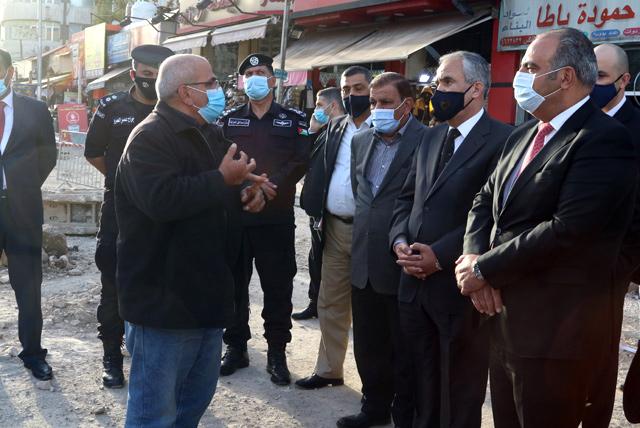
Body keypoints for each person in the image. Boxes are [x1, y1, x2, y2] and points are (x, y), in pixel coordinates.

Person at [456, 28, 638, 427]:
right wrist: (473, 257)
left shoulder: (603, 140)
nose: (521, 75)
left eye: (530, 67)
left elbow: (568, 230)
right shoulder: (524, 133)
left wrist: (486, 270)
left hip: (555, 334)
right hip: (503, 322)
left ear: (565, 77)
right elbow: (484, 200)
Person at [115, 53, 266, 427]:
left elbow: (224, 183)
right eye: (212, 83)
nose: (220, 90)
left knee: (190, 406)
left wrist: (246, 193)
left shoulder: (208, 133)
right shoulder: (149, 138)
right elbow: (161, 201)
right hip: (163, 303)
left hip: (207, 296)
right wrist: (222, 181)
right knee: (154, 414)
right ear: (187, 92)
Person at [389, 52, 512, 427]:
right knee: (416, 383)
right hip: (412, 285)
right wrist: (399, 242)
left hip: (458, 290)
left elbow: (495, 215)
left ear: (475, 90)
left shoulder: (506, 140)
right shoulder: (430, 137)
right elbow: (406, 199)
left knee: (458, 390)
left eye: (446, 83)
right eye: (437, 82)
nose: (435, 90)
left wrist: (439, 256)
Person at [337, 72, 425, 428]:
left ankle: (404, 413)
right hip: (363, 258)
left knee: (404, 346)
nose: (377, 109)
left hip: (403, 260)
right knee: (369, 342)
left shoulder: (429, 140)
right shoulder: (361, 140)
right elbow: (365, 198)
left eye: (386, 103)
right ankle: (373, 407)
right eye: (373, 102)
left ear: (408, 104)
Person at [84, 44, 174, 389]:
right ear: (133, 71)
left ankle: (154, 353)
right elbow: (93, 152)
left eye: (156, 72)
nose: (148, 78)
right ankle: (111, 353)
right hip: (121, 208)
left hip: (163, 209)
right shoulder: (111, 107)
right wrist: (125, 182)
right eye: (143, 71)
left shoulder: (174, 108)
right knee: (114, 278)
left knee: (163, 277)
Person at [217, 53, 310, 385]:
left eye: (261, 72)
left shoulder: (293, 118)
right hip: (236, 217)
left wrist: (268, 187)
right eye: (249, 73)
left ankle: (276, 353)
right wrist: (245, 187)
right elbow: (219, 160)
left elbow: (301, 159)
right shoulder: (228, 119)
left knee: (277, 288)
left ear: (274, 79)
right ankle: (236, 348)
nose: (255, 77)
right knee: (233, 287)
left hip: (276, 217)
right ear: (243, 82)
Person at [296, 65, 372, 390]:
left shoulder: (387, 127)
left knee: (371, 310)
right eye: (345, 90)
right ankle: (329, 369)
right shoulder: (336, 127)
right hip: (335, 229)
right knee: (330, 302)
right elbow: (314, 164)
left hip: (372, 235)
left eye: (358, 88)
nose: (351, 95)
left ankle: (377, 386)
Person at [583, 43, 640, 428]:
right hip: (559, 260)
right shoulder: (572, 122)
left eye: (601, 77)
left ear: (623, 81)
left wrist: (617, 264)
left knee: (599, 358)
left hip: (612, 267)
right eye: (589, 74)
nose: (593, 84)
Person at [0, 48, 57, 381]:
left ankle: (33, 353)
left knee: (28, 286)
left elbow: (48, 155)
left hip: (22, 211)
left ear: (9, 73)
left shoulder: (35, 110)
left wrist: (22, 185)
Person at [296, 87, 345, 321]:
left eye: (318, 104)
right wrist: (312, 131)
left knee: (331, 264)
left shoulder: (343, 133)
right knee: (315, 258)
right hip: (317, 211)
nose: (315, 109)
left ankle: (328, 307)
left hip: (331, 213)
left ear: (332, 106)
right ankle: (315, 302)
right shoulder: (326, 131)